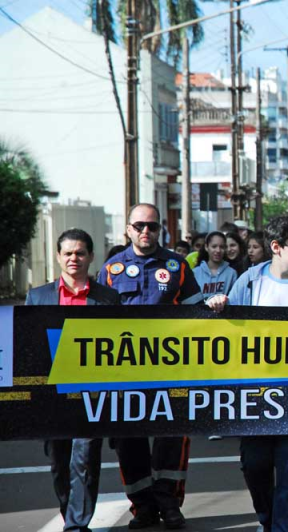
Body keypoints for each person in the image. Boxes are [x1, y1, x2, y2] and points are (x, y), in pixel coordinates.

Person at [207, 216, 288, 532]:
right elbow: (222, 333)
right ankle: (268, 521)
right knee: (255, 467)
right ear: (276, 248)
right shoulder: (250, 281)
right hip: (255, 399)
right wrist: (217, 307)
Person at [101, 203, 204, 529]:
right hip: (125, 374)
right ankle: (142, 506)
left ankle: (169, 504)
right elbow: (97, 326)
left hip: (170, 371)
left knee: (172, 438)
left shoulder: (177, 266)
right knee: (129, 440)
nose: (146, 231)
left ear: (161, 229)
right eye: (139, 226)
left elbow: (197, 317)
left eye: (153, 226)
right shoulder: (111, 269)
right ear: (128, 229)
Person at [26, 228, 120, 532]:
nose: (74, 258)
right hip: (50, 396)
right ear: (58, 257)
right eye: (67, 253)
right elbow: (26, 346)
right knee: (59, 462)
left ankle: (77, 525)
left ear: (91, 257)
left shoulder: (108, 298)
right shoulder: (37, 297)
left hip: (91, 395)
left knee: (85, 459)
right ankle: (71, 514)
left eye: (80, 253)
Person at [194, 231, 239, 301]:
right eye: (214, 246)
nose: (218, 250)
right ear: (206, 247)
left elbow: (234, 300)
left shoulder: (231, 273)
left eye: (222, 247)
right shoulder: (195, 272)